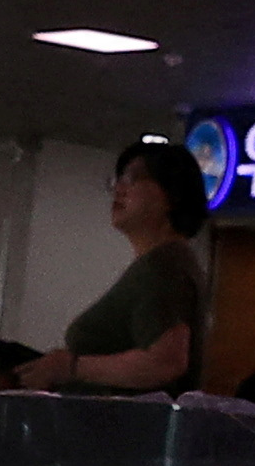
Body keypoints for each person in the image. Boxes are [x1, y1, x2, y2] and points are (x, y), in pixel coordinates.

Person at [11, 136, 205, 395]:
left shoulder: (165, 264)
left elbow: (165, 361)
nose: (119, 189)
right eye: (117, 181)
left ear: (172, 194)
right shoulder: (162, 263)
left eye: (132, 179)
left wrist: (71, 367)